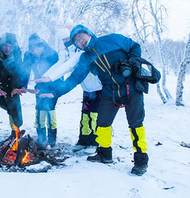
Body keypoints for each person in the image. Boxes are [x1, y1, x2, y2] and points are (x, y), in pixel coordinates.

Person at [47, 25, 149, 176]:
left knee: (135, 124)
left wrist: (133, 62)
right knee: (102, 123)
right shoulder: (85, 58)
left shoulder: (112, 39)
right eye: (76, 41)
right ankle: (104, 153)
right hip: (110, 92)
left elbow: (134, 46)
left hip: (131, 88)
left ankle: (141, 160)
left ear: (89, 33)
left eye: (81, 36)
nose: (80, 41)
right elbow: (75, 78)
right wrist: (55, 93)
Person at [35, 27, 102, 153]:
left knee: (94, 116)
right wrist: (48, 76)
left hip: (98, 88)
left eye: (67, 39)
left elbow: (70, 65)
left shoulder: (82, 51)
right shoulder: (67, 51)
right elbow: (62, 64)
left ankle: (94, 142)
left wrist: (50, 78)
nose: (66, 41)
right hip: (86, 89)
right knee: (85, 117)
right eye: (63, 40)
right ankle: (83, 140)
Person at [22, 33, 60, 149]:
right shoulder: (28, 55)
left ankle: (52, 138)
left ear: (42, 46)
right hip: (39, 86)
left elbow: (59, 73)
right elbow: (25, 71)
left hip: (52, 85)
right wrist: (23, 85)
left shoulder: (52, 54)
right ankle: (41, 137)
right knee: (39, 109)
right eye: (32, 49)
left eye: (37, 49)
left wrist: (54, 92)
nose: (34, 52)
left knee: (50, 110)